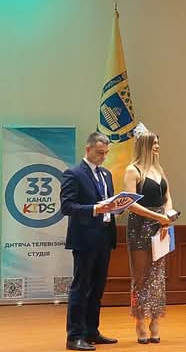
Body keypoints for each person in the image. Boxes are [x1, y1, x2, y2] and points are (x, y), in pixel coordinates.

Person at [61, 132, 118, 351]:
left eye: (106, 153)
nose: (103, 157)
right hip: (84, 238)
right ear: (88, 149)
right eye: (99, 153)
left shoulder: (106, 174)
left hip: (104, 236)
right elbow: (67, 207)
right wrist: (95, 209)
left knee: (97, 287)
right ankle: (74, 336)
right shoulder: (73, 174)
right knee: (81, 286)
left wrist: (117, 206)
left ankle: (91, 331)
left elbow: (109, 202)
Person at [123, 127, 175, 343]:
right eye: (154, 143)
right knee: (141, 277)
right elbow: (130, 204)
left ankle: (155, 321)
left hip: (160, 227)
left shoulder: (159, 169)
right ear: (144, 145)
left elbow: (167, 197)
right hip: (140, 227)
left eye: (158, 143)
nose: (157, 146)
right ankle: (140, 321)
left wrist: (167, 217)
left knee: (157, 277)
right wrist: (156, 216)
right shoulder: (133, 170)